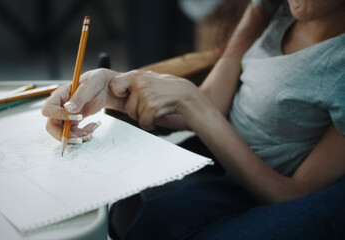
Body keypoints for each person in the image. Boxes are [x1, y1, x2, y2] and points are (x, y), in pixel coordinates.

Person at [42, 0, 345, 239]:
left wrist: (193, 103)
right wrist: (109, 88)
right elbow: (213, 98)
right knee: (145, 212)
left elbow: (295, 196)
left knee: (160, 218)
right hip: (217, 159)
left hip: (272, 192)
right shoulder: (271, 6)